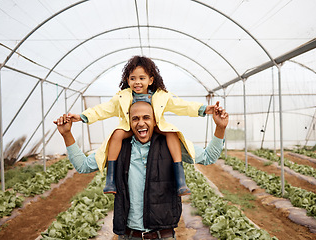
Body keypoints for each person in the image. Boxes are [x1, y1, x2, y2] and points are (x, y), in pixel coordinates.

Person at [54, 100, 229, 239]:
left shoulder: (172, 145)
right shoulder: (117, 148)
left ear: (155, 121)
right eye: (135, 119)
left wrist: (220, 127)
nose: (141, 123)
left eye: (146, 117)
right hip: (129, 235)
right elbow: (83, 166)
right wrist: (67, 134)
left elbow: (208, 157)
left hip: (163, 235)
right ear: (129, 122)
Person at [67, 56, 218, 196]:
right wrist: (82, 117)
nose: (137, 82)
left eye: (142, 78)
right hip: (129, 128)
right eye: (133, 78)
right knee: (116, 134)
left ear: (151, 80)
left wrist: (203, 109)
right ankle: (111, 179)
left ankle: (180, 179)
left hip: (156, 126)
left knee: (172, 133)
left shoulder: (160, 95)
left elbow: (182, 106)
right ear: (127, 80)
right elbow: (103, 109)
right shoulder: (123, 96)